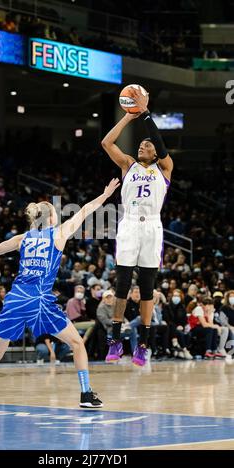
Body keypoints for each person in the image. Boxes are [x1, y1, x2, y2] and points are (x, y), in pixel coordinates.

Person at [0, 178, 120, 412]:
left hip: (16, 298)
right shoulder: (58, 234)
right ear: (50, 218)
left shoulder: (22, 239)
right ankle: (86, 394)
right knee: (76, 343)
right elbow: (85, 210)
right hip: (39, 299)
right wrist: (105, 194)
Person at [101, 87, 173, 366]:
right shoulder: (128, 164)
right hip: (129, 224)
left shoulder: (164, 168)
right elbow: (107, 143)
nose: (142, 146)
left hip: (153, 227)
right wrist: (129, 117)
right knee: (121, 284)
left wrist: (145, 116)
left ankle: (143, 344)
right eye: (140, 144)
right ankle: (115, 341)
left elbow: (160, 143)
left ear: (156, 153)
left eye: (148, 145)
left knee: (146, 288)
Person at [97, 290, 136, 359]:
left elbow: (123, 317)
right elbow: (106, 321)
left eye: (110, 297)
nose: (109, 299)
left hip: (121, 328)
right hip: (112, 330)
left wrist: (126, 322)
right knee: (131, 328)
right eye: (107, 298)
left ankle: (135, 354)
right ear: (103, 299)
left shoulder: (115, 306)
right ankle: (126, 326)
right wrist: (116, 321)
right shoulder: (101, 308)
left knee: (133, 331)